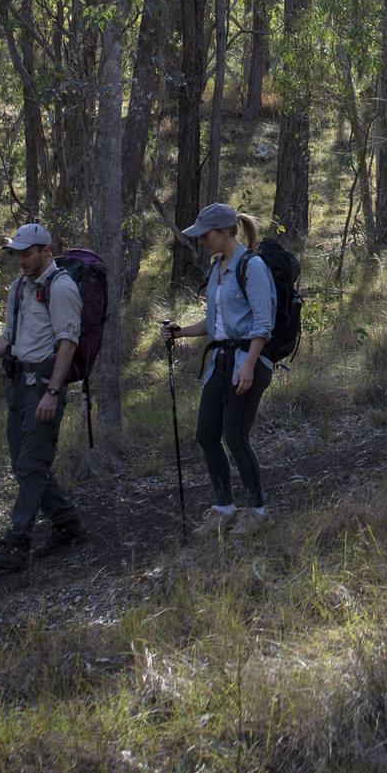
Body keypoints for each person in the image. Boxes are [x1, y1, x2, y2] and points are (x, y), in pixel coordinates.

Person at [0, 221, 85, 571]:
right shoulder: (19, 288)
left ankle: (18, 541)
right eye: (17, 254)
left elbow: (68, 343)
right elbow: (8, 339)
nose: (21, 260)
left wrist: (53, 392)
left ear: (44, 251)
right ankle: (68, 523)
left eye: (27, 253)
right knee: (24, 464)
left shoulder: (62, 288)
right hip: (18, 386)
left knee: (31, 464)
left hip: (43, 386)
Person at [159, 203, 279, 532]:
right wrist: (181, 331)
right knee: (207, 434)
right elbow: (216, 323)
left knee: (235, 436)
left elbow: (262, 323)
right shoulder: (217, 268)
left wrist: (249, 365)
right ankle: (224, 507)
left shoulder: (251, 266)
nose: (201, 241)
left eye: (206, 235)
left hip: (248, 361)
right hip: (221, 363)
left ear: (225, 232)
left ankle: (257, 511)